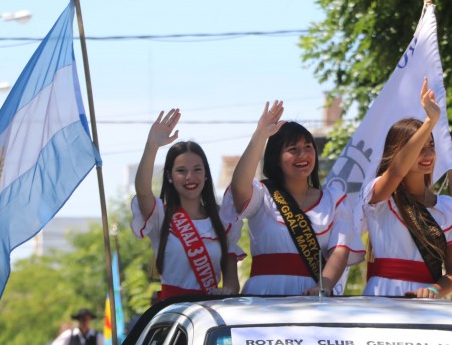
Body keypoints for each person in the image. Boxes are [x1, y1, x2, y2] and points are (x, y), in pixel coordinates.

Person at [228, 101, 364, 295]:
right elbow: (239, 188)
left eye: (308, 147)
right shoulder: (262, 195)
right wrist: (261, 135)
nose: (303, 155)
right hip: (264, 296)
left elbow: (339, 251)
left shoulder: (333, 200)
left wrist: (323, 287)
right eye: (293, 149)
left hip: (312, 296)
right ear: (276, 157)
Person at [361, 79, 452, 298]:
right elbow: (397, 171)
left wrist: (433, 290)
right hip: (382, 298)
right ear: (398, 152)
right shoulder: (380, 197)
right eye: (418, 148)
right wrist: (430, 122)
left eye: (431, 146)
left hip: (425, 304)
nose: (427, 155)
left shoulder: (449, 209)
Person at [133, 108, 242, 299]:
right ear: (169, 176)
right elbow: (142, 192)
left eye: (197, 169)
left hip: (209, 313)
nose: (190, 177)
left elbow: (232, 282)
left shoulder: (223, 220)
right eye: (181, 171)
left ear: (206, 174)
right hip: (173, 311)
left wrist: (227, 291)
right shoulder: (160, 216)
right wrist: (152, 146)